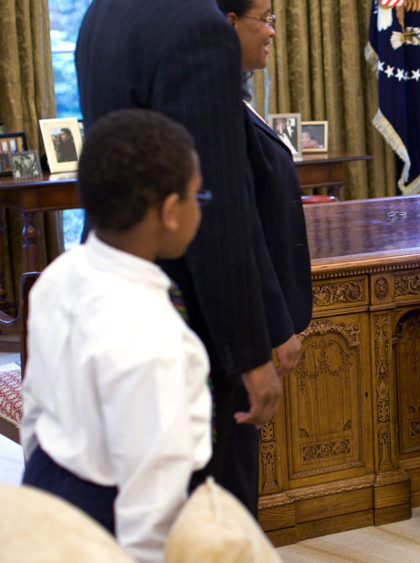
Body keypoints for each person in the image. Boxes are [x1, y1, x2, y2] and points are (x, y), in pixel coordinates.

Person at [76, 0, 282, 512]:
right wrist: (250, 353)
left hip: (114, 281)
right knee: (211, 502)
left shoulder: (102, 12)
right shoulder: (197, 26)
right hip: (186, 306)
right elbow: (215, 201)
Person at [20, 108, 212, 563]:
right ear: (169, 211)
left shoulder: (58, 275)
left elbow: (35, 409)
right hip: (109, 516)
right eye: (195, 196)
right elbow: (152, 500)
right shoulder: (152, 334)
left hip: (47, 482)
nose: (198, 207)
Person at [216, 0, 312, 515]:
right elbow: (241, 229)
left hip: (252, 318)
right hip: (243, 325)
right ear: (229, 23)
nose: (273, 30)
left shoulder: (238, 95)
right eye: (265, 17)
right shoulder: (216, 106)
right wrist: (274, 325)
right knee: (231, 475)